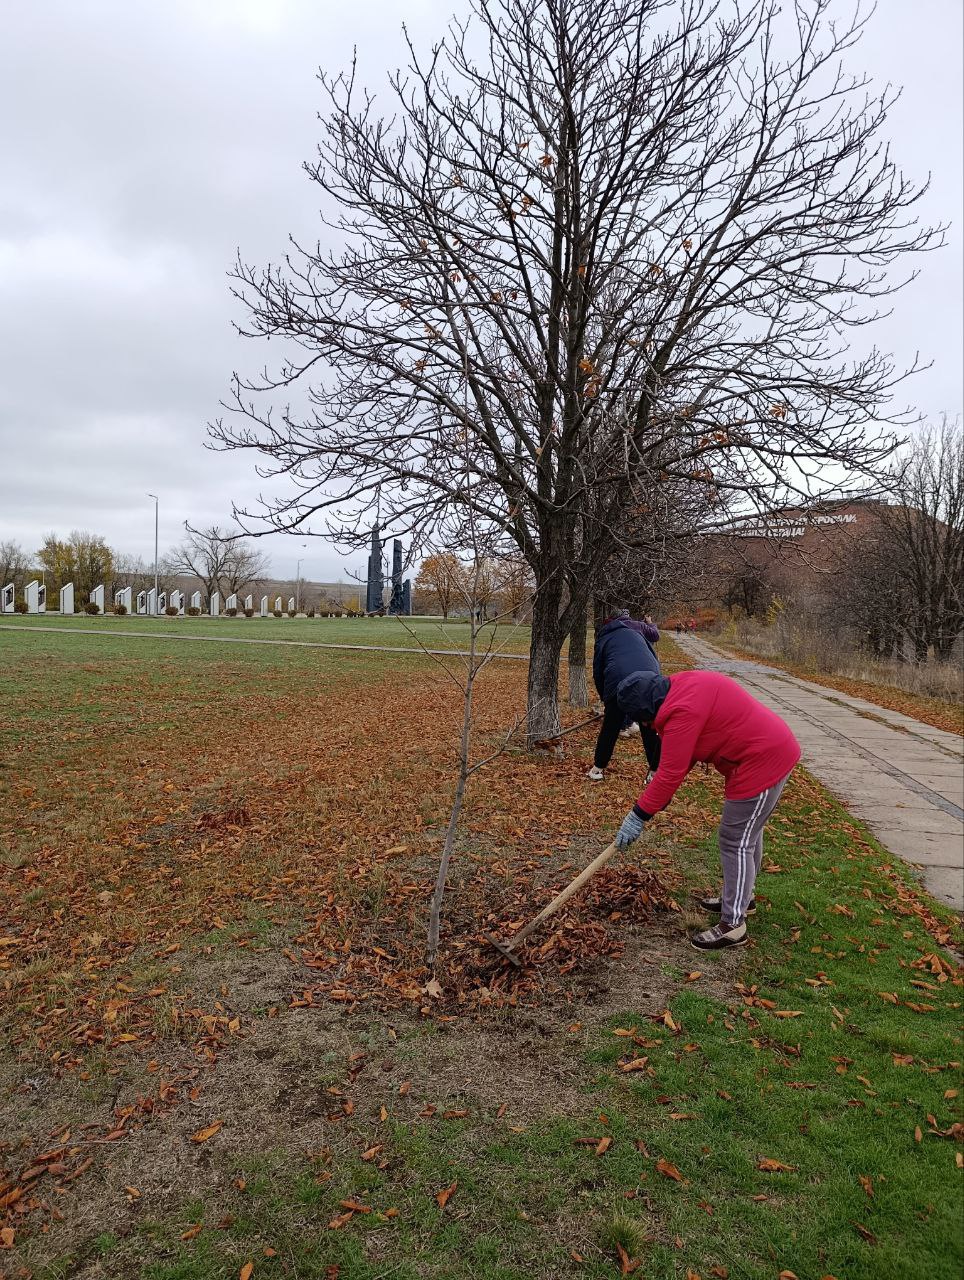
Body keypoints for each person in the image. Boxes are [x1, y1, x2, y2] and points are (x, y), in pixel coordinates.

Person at [611, 668, 800, 951]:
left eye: (643, 720)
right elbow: (678, 762)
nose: (647, 727)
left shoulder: (682, 712)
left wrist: (638, 816)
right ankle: (741, 899)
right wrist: (654, 802)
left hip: (762, 759)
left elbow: (670, 773)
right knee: (747, 833)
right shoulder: (681, 686)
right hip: (760, 753)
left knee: (736, 839)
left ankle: (733, 924)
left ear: (648, 709)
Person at [587, 612, 662, 782]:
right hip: (649, 679)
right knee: (650, 727)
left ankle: (597, 769)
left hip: (618, 681)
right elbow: (652, 658)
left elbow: (598, 672)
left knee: (611, 727)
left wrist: (606, 699)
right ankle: (655, 773)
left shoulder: (604, 638)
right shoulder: (637, 631)